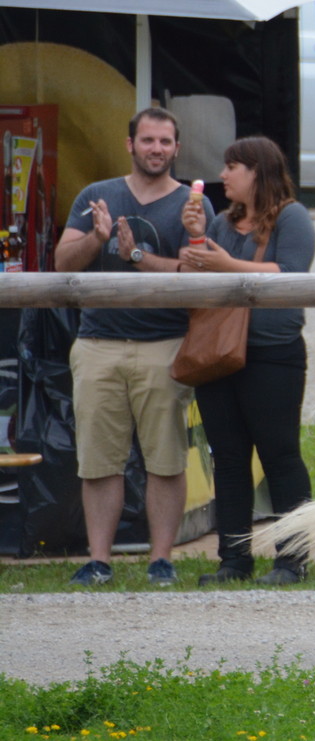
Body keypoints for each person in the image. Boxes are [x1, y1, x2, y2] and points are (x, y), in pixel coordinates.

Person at [53, 106, 214, 588]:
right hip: (97, 343)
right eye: (148, 141)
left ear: (177, 149)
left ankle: (160, 560)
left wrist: (138, 255)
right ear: (130, 145)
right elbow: (62, 262)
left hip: (165, 345)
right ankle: (99, 561)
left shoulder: (193, 205)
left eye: (165, 142)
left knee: (165, 460)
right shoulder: (96, 196)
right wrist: (97, 239)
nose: (156, 150)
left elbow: (200, 272)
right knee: (99, 460)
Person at [179, 136, 315, 585]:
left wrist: (223, 264)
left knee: (280, 454)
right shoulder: (222, 223)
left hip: (273, 354)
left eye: (232, 166)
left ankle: (293, 559)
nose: (224, 175)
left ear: (256, 171)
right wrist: (196, 237)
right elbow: (202, 276)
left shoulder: (293, 218)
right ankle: (233, 560)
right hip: (221, 354)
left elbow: (292, 275)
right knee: (230, 458)